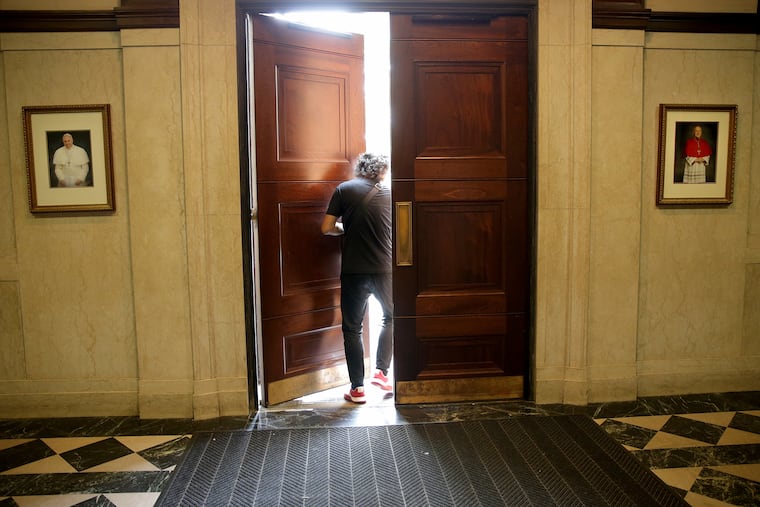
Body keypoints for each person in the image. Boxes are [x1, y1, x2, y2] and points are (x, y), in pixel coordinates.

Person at [321, 152, 393, 404]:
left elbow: (326, 227)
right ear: (382, 170)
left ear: (360, 168)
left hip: (353, 270)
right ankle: (382, 373)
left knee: (352, 328)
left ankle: (358, 389)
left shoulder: (344, 189)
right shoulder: (390, 194)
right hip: (385, 268)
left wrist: (344, 228)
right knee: (392, 317)